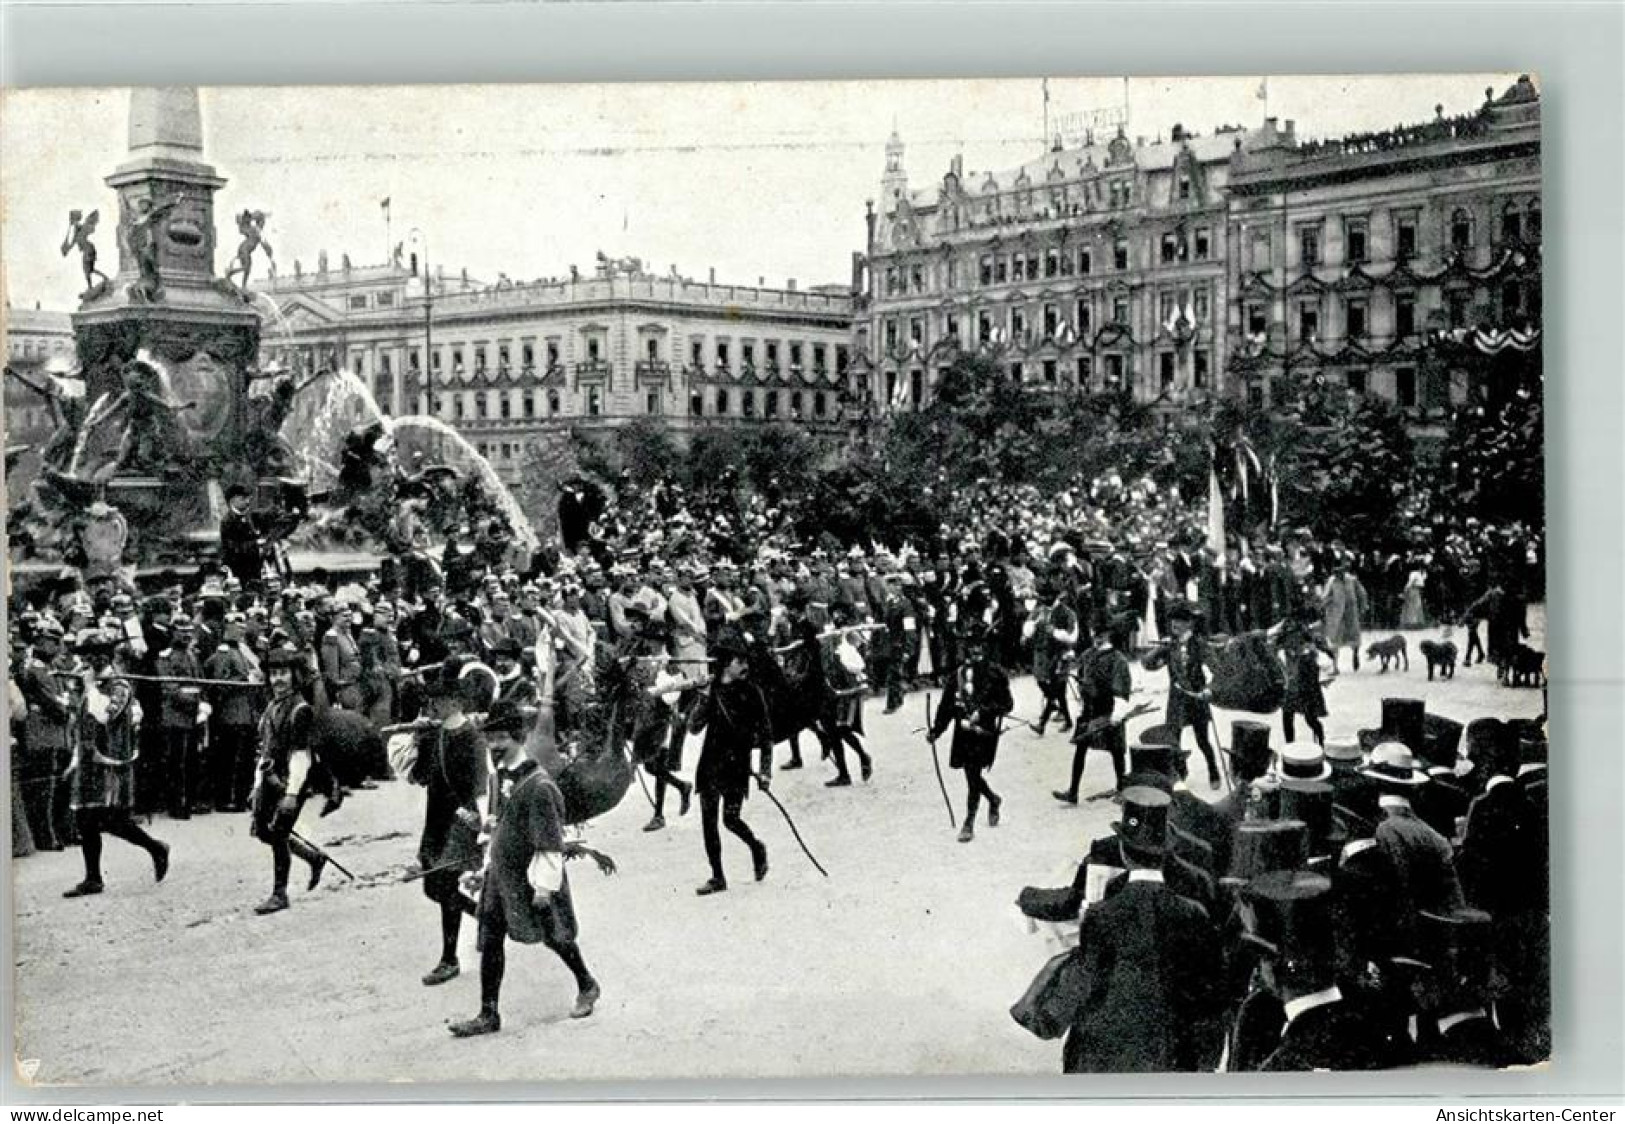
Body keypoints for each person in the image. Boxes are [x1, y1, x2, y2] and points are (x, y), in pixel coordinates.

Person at [447, 698, 607, 1037]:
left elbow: (549, 842)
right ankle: (488, 1013)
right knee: (489, 937)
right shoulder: (499, 778)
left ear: (518, 737)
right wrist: (485, 853)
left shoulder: (539, 786)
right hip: (500, 876)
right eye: (489, 739)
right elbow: (498, 827)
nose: (492, 746)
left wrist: (543, 888)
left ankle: (587, 983)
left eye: (500, 738)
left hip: (531, 879)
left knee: (555, 936)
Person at [1060, 786, 1225, 1072]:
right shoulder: (1191, 913)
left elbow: (1086, 985)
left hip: (1108, 1053)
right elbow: (1209, 994)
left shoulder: (1100, 913)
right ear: (1166, 852)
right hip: (1171, 1051)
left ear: (1124, 852)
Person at [61, 630, 170, 898]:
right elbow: (82, 726)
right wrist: (75, 759)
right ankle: (93, 878)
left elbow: (103, 716)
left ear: (107, 655)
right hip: (88, 761)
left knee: (112, 820)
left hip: (110, 762)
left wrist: (89, 687)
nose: (90, 659)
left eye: (96, 654)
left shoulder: (120, 685)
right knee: (84, 818)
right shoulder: (91, 684)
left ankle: (156, 847)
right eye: (87, 655)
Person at [410, 657, 488, 983]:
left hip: (459, 821)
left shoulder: (471, 738)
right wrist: (416, 743)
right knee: (434, 886)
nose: (433, 706)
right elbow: (420, 777)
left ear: (454, 702)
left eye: (438, 701)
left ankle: (449, 958)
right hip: (436, 819)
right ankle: (486, 919)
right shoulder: (437, 735)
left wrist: (472, 816)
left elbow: (480, 784)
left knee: (445, 884)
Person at [687, 635, 773, 896]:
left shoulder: (751, 691)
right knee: (709, 821)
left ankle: (756, 847)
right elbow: (693, 728)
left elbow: (767, 733)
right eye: (739, 661)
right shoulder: (711, 690)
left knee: (731, 819)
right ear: (726, 664)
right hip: (711, 763)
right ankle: (717, 877)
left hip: (737, 765)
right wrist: (701, 698)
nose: (744, 665)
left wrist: (766, 770)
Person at [249, 648, 330, 914]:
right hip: (270, 778)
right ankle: (314, 858)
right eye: (273, 674)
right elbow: (264, 749)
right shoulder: (272, 706)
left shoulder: (300, 710)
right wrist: (257, 785)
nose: (278, 679)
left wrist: (292, 794)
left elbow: (301, 756)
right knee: (263, 831)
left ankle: (279, 893)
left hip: (292, 781)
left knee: (279, 832)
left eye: (283, 673)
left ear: (295, 676)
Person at [928, 623, 1012, 843]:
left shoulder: (996, 674)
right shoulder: (956, 676)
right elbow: (945, 708)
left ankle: (969, 822)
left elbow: (1007, 704)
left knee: (973, 776)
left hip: (984, 732)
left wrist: (983, 712)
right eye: (971, 648)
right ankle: (993, 799)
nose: (975, 652)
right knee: (971, 775)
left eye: (980, 648)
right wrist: (936, 731)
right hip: (963, 733)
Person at [1140, 603, 1221, 790]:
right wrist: (1159, 650)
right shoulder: (1171, 645)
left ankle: (1213, 768)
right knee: (1173, 739)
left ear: (1189, 623)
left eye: (1180, 621)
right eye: (1173, 621)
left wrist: (1209, 690)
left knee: (1203, 740)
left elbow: (1217, 670)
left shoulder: (1199, 644)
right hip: (1176, 698)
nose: (1174, 624)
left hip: (1196, 697)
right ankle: (1180, 772)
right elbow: (1148, 665)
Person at [1054, 620, 1132, 803]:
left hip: (1108, 709)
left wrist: (1118, 713)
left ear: (1108, 635)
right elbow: (1076, 664)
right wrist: (1067, 661)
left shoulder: (1117, 659)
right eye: (1095, 634)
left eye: (1102, 634)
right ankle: (1073, 791)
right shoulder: (1089, 654)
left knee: (1116, 751)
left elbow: (1121, 688)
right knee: (1080, 749)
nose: (1098, 637)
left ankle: (1122, 789)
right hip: (1089, 710)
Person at [1280, 623, 1335, 747]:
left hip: (1306, 690)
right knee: (1287, 717)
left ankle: (1321, 741)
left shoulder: (1310, 653)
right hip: (1290, 690)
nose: (1291, 642)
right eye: (1289, 639)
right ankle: (1290, 746)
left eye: (1295, 639)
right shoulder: (1284, 652)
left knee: (1310, 719)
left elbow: (1326, 664)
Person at [1320, 561, 1369, 673]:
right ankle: (1335, 666)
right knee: (1334, 640)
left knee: (1354, 636)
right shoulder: (1332, 582)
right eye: (1336, 572)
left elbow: (1362, 593)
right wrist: (1326, 605)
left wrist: (1362, 607)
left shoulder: (1351, 580)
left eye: (1340, 571)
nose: (1338, 574)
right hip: (1336, 615)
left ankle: (1355, 654)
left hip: (1351, 613)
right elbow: (1325, 597)